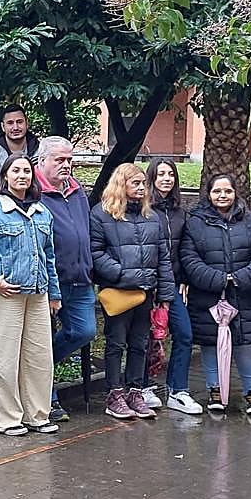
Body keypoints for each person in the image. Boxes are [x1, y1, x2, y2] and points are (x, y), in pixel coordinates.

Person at [0, 153, 61, 437]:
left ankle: (37, 415)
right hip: (3, 296)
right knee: (2, 358)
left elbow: (49, 257)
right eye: (16, 170)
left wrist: (53, 294)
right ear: (5, 176)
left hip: (38, 294)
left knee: (39, 358)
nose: (22, 176)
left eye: (27, 171)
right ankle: (4, 418)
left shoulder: (43, 213)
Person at [180, 174, 251, 416]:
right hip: (209, 297)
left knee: (248, 345)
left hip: (248, 297)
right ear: (209, 194)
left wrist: (240, 278)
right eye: (217, 191)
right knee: (211, 344)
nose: (222, 196)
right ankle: (215, 391)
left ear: (236, 193)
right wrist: (218, 280)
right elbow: (189, 259)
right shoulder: (194, 223)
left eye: (227, 191)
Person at [90, 164, 176, 421]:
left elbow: (163, 258)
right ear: (121, 185)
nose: (141, 187)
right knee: (116, 342)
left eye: (142, 183)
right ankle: (114, 393)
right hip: (118, 292)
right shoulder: (101, 214)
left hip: (146, 292)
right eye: (135, 183)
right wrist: (123, 274)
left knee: (140, 343)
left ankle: (135, 390)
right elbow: (96, 253)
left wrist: (165, 295)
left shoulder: (153, 217)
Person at [34, 136, 95, 423]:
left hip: (80, 277)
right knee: (41, 340)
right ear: (42, 160)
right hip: (49, 279)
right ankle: (48, 399)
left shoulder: (76, 190)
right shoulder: (33, 191)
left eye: (69, 160)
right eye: (60, 160)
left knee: (84, 331)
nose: (66, 165)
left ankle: (36, 367)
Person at [146, 158, 203, 415]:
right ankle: (143, 387)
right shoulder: (144, 209)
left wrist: (184, 281)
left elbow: (186, 251)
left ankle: (177, 390)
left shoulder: (181, 212)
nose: (167, 179)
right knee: (146, 337)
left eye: (171, 174)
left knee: (184, 334)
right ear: (152, 178)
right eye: (161, 174)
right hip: (148, 285)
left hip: (174, 285)